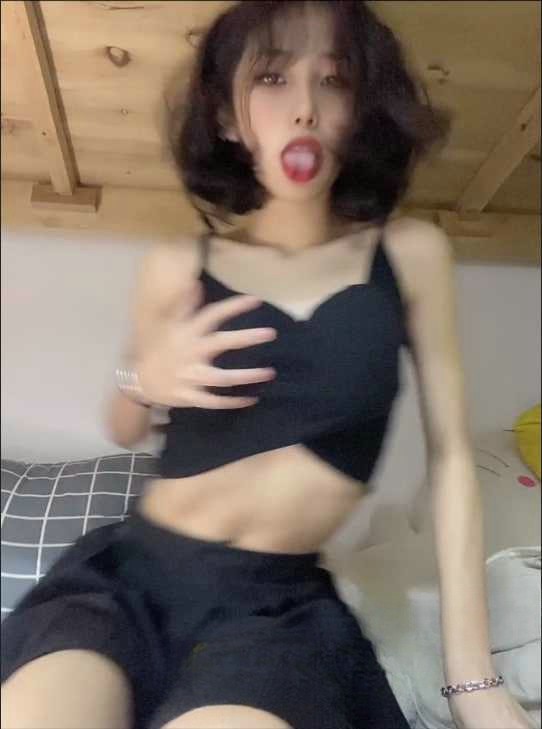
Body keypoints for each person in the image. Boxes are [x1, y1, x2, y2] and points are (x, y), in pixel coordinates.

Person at [1, 2, 535, 729]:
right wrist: (141, 380)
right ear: (228, 116)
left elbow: (450, 462)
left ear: (360, 112)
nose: (305, 107)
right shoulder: (179, 263)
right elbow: (125, 426)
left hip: (273, 607)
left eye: (334, 80)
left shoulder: (410, 256)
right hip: (127, 579)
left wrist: (472, 680)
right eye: (274, 77)